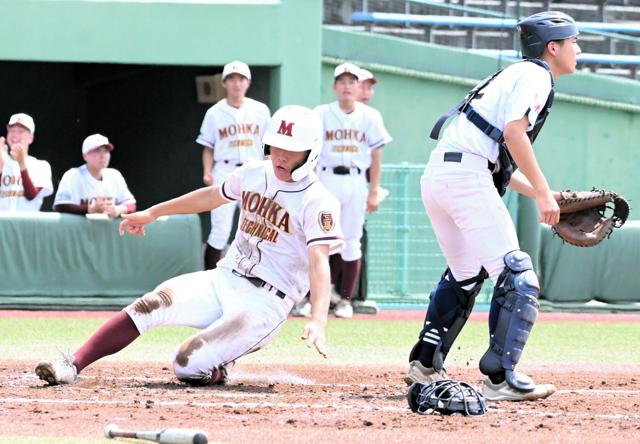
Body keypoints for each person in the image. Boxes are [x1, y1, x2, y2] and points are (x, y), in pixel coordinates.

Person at [34, 105, 343, 387]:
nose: (280, 155)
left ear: (311, 152)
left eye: (291, 149)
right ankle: (72, 364)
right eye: (276, 145)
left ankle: (220, 365)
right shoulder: (254, 172)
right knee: (150, 304)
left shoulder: (317, 201)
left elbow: (319, 263)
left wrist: (318, 319)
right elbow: (211, 196)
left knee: (186, 364)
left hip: (265, 302)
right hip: (226, 276)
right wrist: (154, 212)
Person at [405, 11, 580, 401]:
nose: (577, 49)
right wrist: (545, 191)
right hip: (465, 177)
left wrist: (540, 194)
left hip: (442, 174)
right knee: (518, 275)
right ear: (553, 47)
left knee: (466, 273)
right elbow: (514, 134)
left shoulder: (514, 74)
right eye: (572, 42)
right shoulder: (536, 75)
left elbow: (492, 155)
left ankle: (425, 363)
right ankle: (501, 378)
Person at [308, 63, 391, 319]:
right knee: (319, 238)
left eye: (351, 81)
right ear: (334, 86)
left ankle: (345, 300)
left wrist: (374, 190)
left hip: (355, 181)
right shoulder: (321, 113)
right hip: (326, 178)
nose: (346, 86)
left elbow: (376, 156)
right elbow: (309, 152)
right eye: (341, 81)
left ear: (358, 87)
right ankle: (314, 298)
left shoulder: (370, 116)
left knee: (352, 240)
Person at [197, 60, 271, 270]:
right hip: (225, 169)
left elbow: (269, 145)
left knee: (257, 228)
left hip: (254, 169)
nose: (236, 84)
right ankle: (208, 279)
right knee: (220, 229)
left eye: (241, 79)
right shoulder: (214, 112)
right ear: (224, 83)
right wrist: (207, 171)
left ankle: (254, 276)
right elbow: (208, 146)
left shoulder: (260, 110)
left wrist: (269, 170)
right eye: (231, 79)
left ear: (247, 83)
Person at [53, 134, 136, 216]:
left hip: (105, 228)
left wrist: (119, 209)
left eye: (106, 151)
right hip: (80, 229)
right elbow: (60, 205)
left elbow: (131, 205)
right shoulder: (72, 175)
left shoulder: (115, 175)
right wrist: (90, 209)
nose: (103, 155)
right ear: (85, 156)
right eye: (97, 151)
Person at [0, 113, 53, 211]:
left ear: (31, 138)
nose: (15, 135)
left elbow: (31, 196)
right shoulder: (1, 160)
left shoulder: (41, 165)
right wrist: (0, 166)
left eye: (21, 131)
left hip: (27, 224)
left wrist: (22, 164)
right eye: (12, 130)